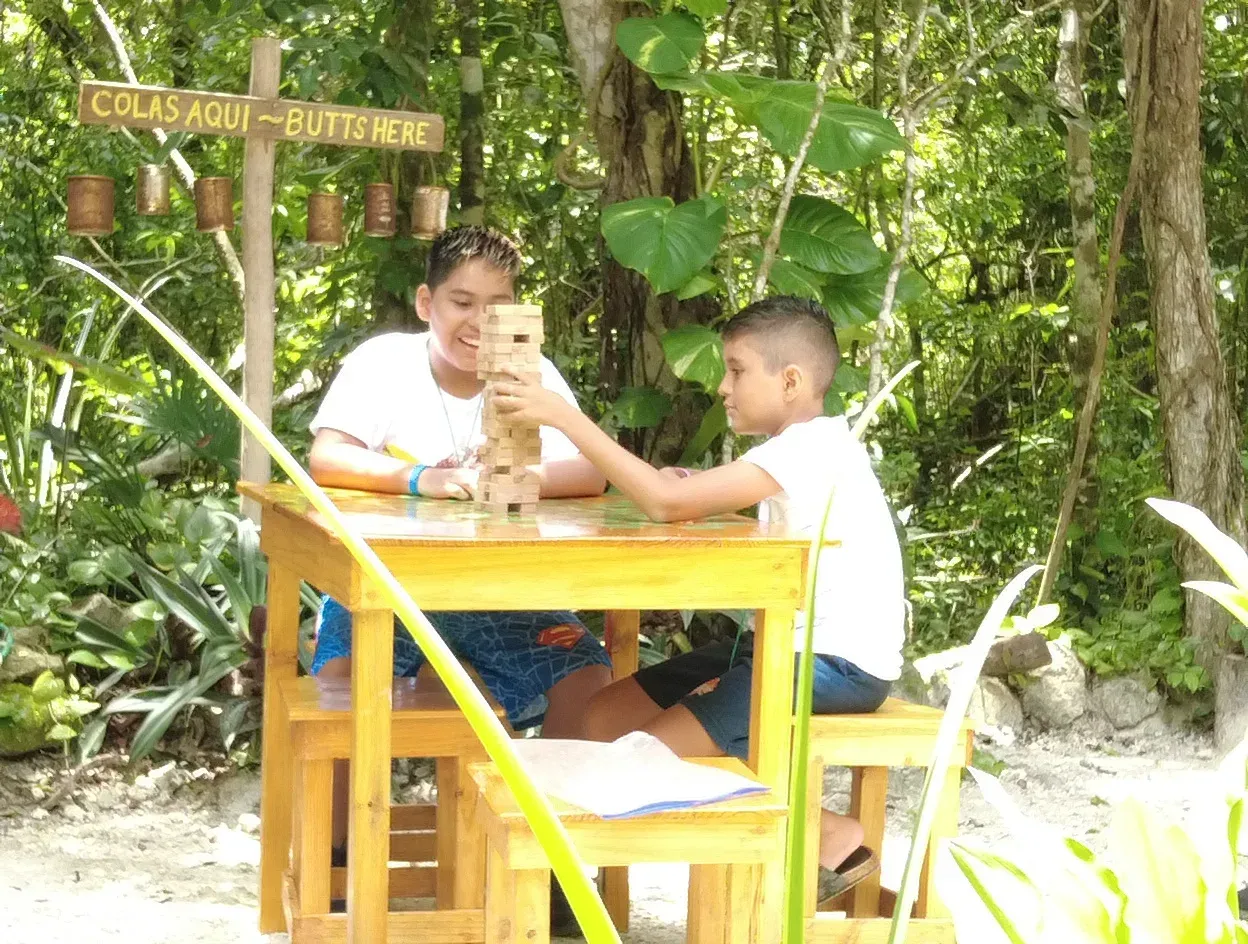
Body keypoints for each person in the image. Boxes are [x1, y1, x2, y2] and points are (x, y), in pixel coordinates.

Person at [494, 295, 905, 901]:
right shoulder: (799, 450)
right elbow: (682, 496)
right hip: (783, 649)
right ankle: (563, 880)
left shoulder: (811, 448)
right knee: (602, 717)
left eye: (737, 370)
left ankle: (829, 834)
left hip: (837, 664)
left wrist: (566, 419)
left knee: (649, 756)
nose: (723, 387)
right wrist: (688, 489)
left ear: (790, 380)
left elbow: (665, 505)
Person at [307, 226, 614, 926]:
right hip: (385, 591)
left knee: (587, 675)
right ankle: (338, 863)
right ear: (426, 302)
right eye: (461, 301)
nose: (479, 322)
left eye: (498, 304)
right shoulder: (382, 363)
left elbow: (590, 470)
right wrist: (427, 479)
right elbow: (328, 456)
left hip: (504, 595)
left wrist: (504, 477)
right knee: (343, 690)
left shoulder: (531, 372)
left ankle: (557, 867)